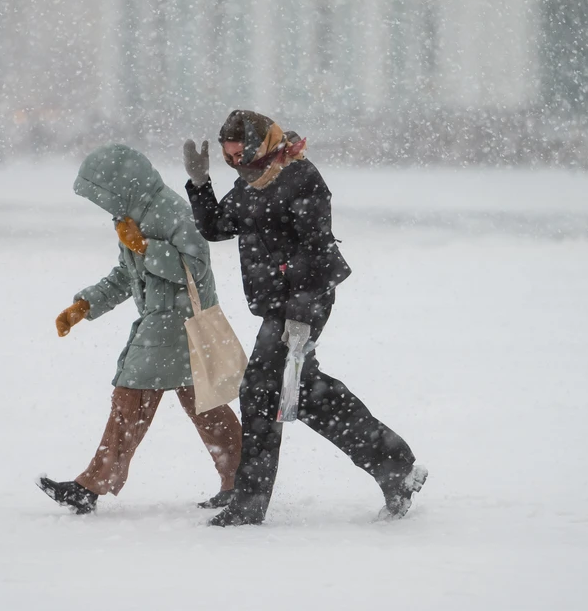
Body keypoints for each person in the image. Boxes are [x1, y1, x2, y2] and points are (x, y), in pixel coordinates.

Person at [183, 110, 427, 526]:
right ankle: (395, 463)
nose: (236, 163)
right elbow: (219, 226)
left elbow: (315, 252)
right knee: (306, 394)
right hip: (277, 304)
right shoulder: (251, 182)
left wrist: (300, 318)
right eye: (228, 158)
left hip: (306, 299)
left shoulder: (299, 177)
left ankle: (249, 503)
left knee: (260, 392)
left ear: (260, 142)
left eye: (240, 153)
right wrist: (201, 185)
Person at [39, 144, 242, 515]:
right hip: (166, 324)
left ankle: (92, 485)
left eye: (103, 195)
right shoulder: (132, 214)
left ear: (121, 186)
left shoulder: (170, 210)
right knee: (205, 405)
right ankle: (241, 481)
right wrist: (85, 305)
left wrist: (147, 246)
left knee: (129, 399)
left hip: (176, 323)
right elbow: (126, 275)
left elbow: (195, 267)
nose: (102, 205)